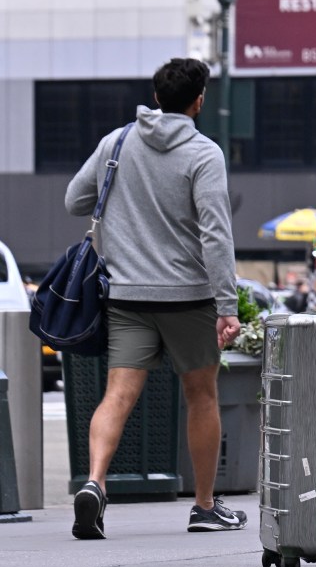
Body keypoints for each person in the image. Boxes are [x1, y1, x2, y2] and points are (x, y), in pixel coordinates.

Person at [65, 58, 246, 538]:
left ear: (156, 95)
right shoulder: (204, 154)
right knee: (201, 395)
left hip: (125, 294)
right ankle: (205, 507)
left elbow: (74, 200)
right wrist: (226, 306)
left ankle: (95, 484)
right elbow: (215, 233)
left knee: (118, 394)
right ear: (199, 100)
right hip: (189, 298)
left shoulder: (118, 142)